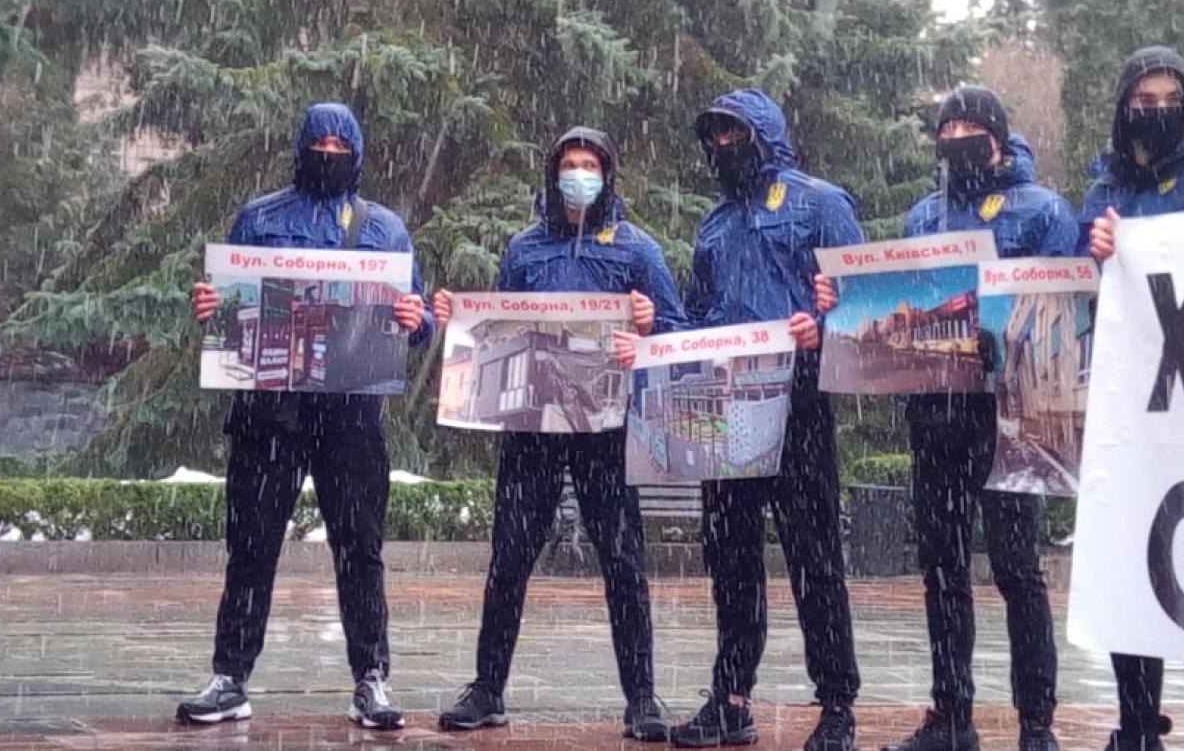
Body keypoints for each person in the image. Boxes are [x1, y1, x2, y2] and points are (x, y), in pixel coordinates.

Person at [819, 86, 1077, 751]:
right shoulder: (922, 217)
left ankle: (1036, 721)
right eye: (947, 127)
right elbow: (901, 299)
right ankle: (952, 715)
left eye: (969, 126)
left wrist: (1008, 333)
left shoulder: (1043, 210)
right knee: (941, 567)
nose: (956, 137)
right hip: (936, 413)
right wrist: (842, 297)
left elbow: (1063, 306)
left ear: (997, 136)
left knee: (1017, 568)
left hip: (1010, 414)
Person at [179, 102, 433, 730]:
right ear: (300, 148)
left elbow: (420, 316)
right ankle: (230, 678)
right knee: (251, 547)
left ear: (357, 153)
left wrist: (417, 319)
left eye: (340, 146)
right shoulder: (260, 217)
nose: (328, 153)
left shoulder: (384, 228)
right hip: (268, 413)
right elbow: (230, 302)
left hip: (351, 415)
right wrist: (212, 303)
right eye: (319, 143)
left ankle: (371, 678)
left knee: (360, 551)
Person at [432, 126, 685, 743]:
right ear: (553, 175)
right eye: (570, 164)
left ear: (607, 175)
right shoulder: (524, 249)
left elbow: (678, 331)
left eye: (590, 166)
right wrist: (456, 321)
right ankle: (487, 688)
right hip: (532, 429)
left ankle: (642, 698)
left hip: (606, 429)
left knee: (623, 562)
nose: (579, 175)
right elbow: (496, 326)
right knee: (510, 557)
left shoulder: (637, 250)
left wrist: (651, 324)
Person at [663, 88, 864, 750]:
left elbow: (860, 305)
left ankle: (836, 705)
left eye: (733, 133)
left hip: (798, 400)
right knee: (731, 556)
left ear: (763, 134)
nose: (722, 146)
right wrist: (662, 344)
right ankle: (731, 698)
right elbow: (697, 316)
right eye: (713, 136)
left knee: (814, 556)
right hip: (724, 404)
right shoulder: (714, 225)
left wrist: (824, 327)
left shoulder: (821, 204)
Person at [1080, 45, 1184, 751]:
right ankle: (1136, 720)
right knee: (1135, 558)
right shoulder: (1103, 192)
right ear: (1125, 108)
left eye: (1170, 100)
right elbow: (1074, 289)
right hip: (1129, 407)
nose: (1157, 112)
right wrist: (1093, 250)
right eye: (1144, 101)